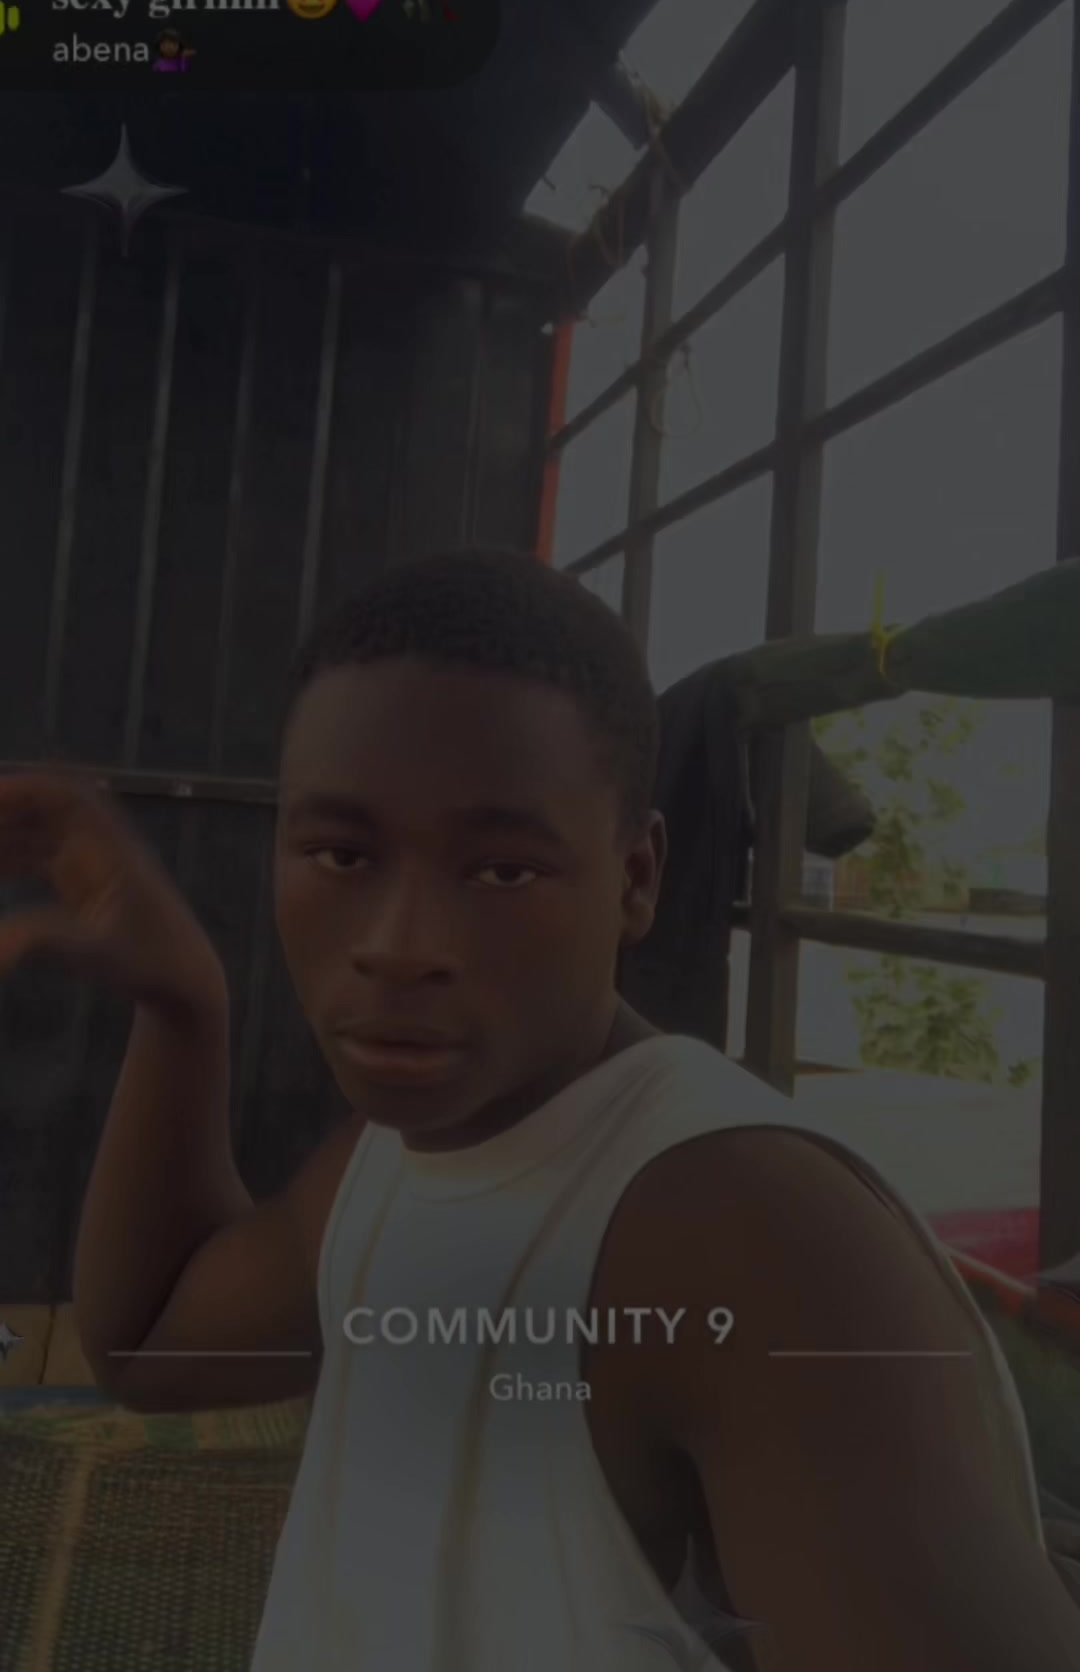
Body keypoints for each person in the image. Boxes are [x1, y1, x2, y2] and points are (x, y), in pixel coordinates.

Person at [1, 547, 1078, 1672]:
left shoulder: (752, 1233)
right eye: (341, 854)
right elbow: (156, 1349)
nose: (397, 946)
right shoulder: (399, 1150)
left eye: (502, 870)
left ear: (637, 878)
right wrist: (183, 1008)